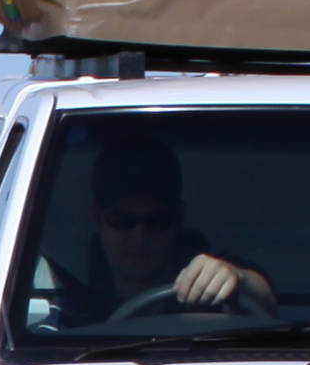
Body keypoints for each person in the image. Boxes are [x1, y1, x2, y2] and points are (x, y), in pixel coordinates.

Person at [79, 134, 273, 316]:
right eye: (122, 221)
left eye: (157, 221)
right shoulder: (69, 291)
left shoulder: (206, 280)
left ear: (179, 218)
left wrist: (237, 278)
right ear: (96, 217)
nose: (140, 236)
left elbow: (265, 300)